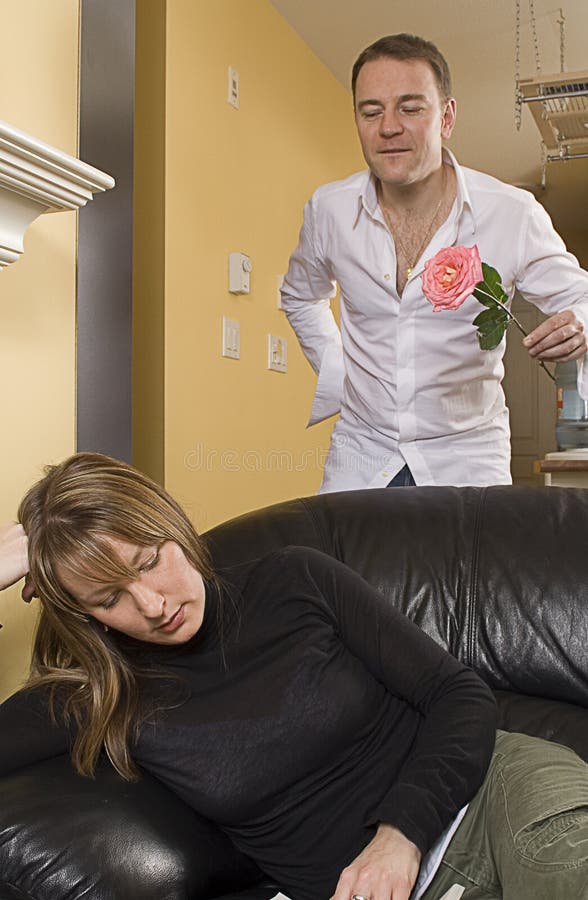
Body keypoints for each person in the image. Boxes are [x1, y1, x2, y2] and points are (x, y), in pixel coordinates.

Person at [0, 452, 588, 899]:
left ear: (174, 527)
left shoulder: (291, 580)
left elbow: (459, 693)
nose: (152, 604)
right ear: (83, 614)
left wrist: (398, 837)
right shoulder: (101, 697)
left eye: (150, 561)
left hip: (488, 797)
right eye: (109, 598)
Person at [281, 33, 588, 492]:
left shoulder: (512, 212)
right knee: (340, 568)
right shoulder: (328, 211)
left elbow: (582, 298)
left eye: (410, 107)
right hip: (361, 456)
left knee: (473, 569)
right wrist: (337, 371)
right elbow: (300, 296)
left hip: (468, 459)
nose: (388, 127)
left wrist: (580, 323)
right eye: (371, 111)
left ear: (446, 118)